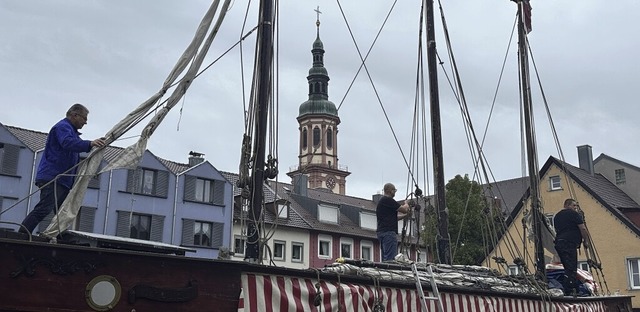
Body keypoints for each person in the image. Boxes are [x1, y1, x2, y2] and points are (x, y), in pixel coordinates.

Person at [19, 103, 106, 234]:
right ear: (75, 115)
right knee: (44, 208)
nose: (85, 122)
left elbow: (73, 145)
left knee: (62, 213)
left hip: (61, 180)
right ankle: (22, 234)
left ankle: (60, 237)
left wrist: (91, 145)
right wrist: (90, 143)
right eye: (84, 118)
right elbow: (67, 143)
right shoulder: (63, 127)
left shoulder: (71, 132)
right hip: (54, 178)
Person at [553, 198, 591, 296]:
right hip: (569, 243)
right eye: (574, 206)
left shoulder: (557, 216)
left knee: (567, 266)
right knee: (571, 267)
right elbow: (582, 228)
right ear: (568, 205)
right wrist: (585, 241)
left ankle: (569, 287)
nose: (575, 208)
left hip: (559, 242)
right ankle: (570, 289)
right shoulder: (574, 214)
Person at [376, 183, 411, 261]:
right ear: (389, 191)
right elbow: (404, 209)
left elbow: (394, 218)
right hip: (388, 232)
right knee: (390, 258)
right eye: (394, 190)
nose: (395, 192)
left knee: (386, 257)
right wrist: (406, 203)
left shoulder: (382, 202)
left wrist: (405, 216)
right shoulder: (388, 200)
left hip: (382, 232)